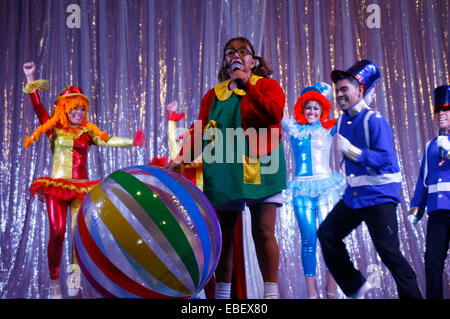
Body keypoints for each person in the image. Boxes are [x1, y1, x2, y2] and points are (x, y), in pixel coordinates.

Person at [169, 37, 286, 299]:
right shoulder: (213, 94)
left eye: (242, 51)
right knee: (223, 236)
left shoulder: (267, 86)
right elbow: (200, 131)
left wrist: (247, 85)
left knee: (263, 230)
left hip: (262, 163)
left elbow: (274, 115)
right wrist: (181, 159)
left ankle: (270, 295)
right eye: (230, 52)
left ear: (253, 61)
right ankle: (222, 297)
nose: (235, 55)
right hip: (223, 164)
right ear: (224, 61)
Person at [22, 61, 145, 299]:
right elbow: (38, 108)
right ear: (65, 109)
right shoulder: (53, 130)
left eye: (82, 109)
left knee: (78, 236)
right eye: (74, 108)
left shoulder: (88, 133)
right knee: (57, 232)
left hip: (81, 188)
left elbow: (109, 141)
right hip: (57, 188)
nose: (79, 113)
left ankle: (75, 284)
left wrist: (133, 141)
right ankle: (54, 280)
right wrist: (31, 78)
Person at [317, 60, 423, 299]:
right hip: (355, 197)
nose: (340, 94)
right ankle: (355, 286)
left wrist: (355, 153)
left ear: (361, 91)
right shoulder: (344, 120)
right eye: (338, 90)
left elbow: (387, 159)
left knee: (389, 254)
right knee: (327, 234)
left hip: (379, 197)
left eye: (345, 89)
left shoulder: (374, 119)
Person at [281, 82, 344, 299]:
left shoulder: (329, 127)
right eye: (308, 107)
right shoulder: (293, 128)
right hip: (301, 189)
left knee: (329, 238)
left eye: (316, 107)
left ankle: (332, 290)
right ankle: (311, 294)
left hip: (327, 187)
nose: (312, 112)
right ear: (301, 108)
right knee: (308, 240)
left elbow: (352, 113)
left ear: (323, 109)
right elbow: (275, 108)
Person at [408, 85, 450, 299]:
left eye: (446, 109)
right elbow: (423, 180)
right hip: (437, 212)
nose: (441, 113)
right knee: (432, 262)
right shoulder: (431, 146)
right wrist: (417, 207)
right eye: (438, 110)